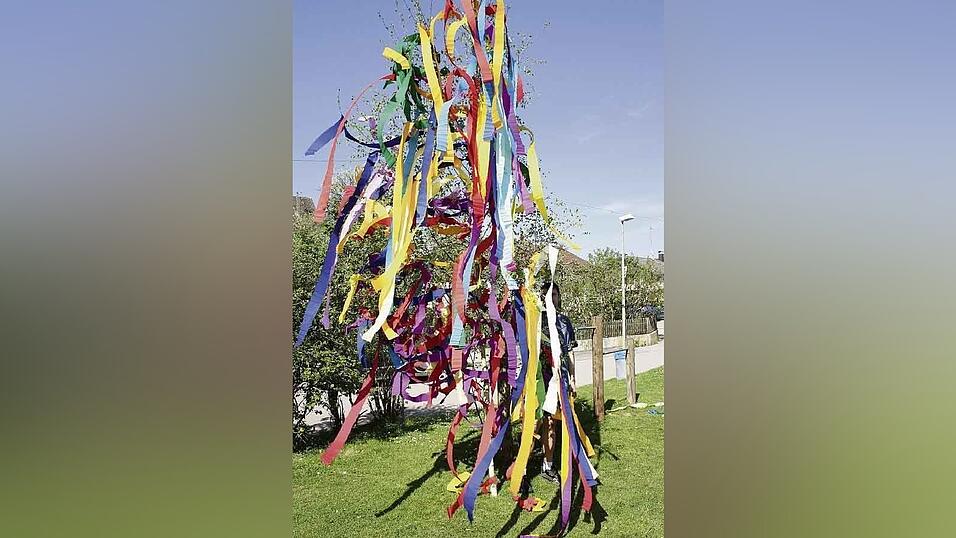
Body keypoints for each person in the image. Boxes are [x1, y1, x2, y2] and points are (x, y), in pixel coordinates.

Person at [538, 281, 577, 484]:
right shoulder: (537, 321)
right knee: (549, 421)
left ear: (559, 296)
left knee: (566, 420)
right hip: (543, 379)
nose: (551, 297)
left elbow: (570, 353)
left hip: (562, 377)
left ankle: (566, 461)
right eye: (547, 294)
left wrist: (573, 378)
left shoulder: (564, 322)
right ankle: (548, 464)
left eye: (554, 293)